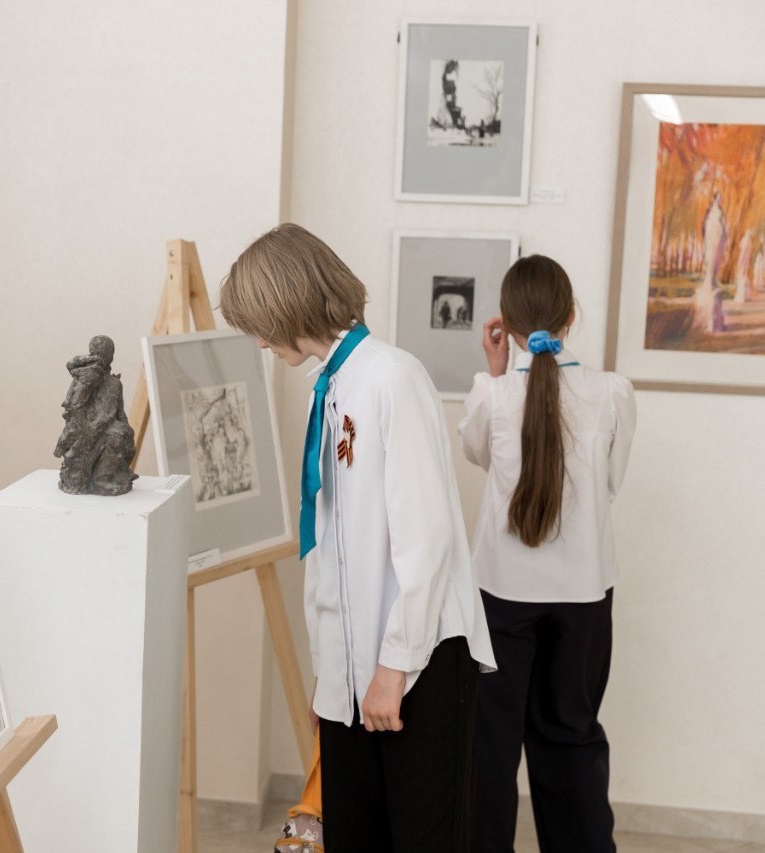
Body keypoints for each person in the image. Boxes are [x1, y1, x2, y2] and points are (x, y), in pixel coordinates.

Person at [219, 223, 495, 852]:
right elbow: (331, 549)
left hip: (418, 661)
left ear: (287, 305)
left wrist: (392, 668)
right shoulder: (330, 387)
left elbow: (426, 542)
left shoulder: (393, 377)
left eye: (259, 325)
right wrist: (332, 677)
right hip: (355, 672)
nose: (260, 342)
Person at [459, 255, 637, 853]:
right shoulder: (612, 393)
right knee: (572, 735)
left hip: (500, 594)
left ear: (505, 324)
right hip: (584, 592)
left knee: (489, 744)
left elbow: (479, 457)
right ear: (570, 316)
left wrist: (496, 372)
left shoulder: (491, 395)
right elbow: (609, 483)